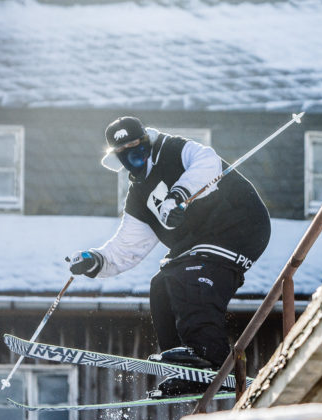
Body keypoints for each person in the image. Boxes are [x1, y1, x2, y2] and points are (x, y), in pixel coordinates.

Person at [69, 116, 271, 398]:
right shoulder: (139, 196)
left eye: (139, 152)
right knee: (162, 285)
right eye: (127, 158)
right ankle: (184, 369)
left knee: (188, 274)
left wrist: (179, 196)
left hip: (238, 224)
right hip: (198, 242)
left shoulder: (174, 149)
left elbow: (207, 162)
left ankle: (211, 358)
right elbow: (128, 247)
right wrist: (96, 260)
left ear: (148, 144)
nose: (135, 161)